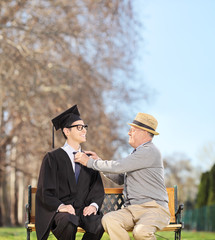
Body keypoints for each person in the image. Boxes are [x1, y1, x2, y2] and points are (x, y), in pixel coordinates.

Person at [75, 112, 171, 240]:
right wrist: (98, 160)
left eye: (132, 130)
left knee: (141, 232)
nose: (129, 133)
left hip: (153, 209)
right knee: (109, 219)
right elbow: (120, 178)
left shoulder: (149, 151)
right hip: (132, 210)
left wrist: (90, 162)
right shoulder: (137, 153)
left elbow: (119, 166)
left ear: (143, 132)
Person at [35, 105, 104, 240]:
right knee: (68, 220)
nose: (84, 130)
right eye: (79, 127)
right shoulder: (53, 158)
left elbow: (97, 190)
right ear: (67, 131)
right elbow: (45, 192)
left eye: (84, 127)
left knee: (100, 223)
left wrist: (93, 206)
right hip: (62, 213)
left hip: (83, 211)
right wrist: (61, 206)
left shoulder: (89, 159)